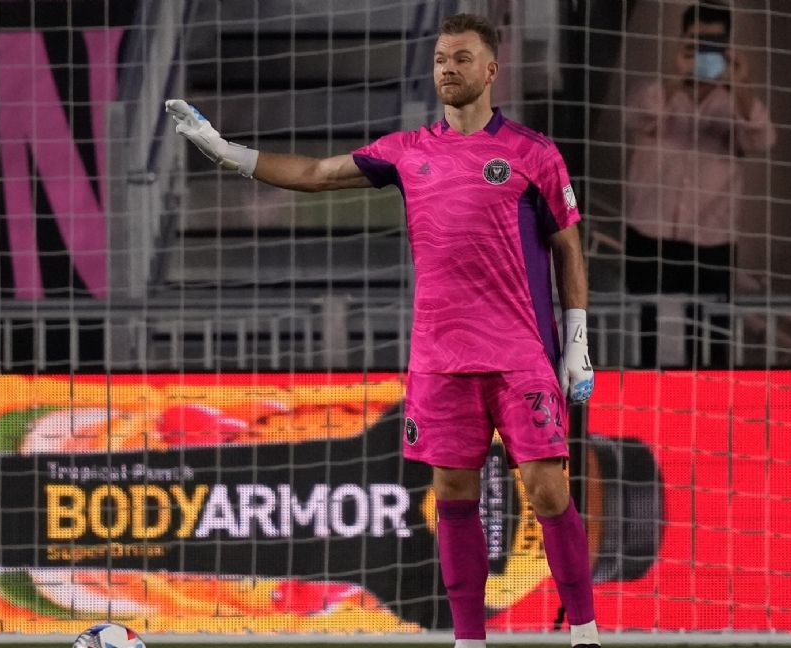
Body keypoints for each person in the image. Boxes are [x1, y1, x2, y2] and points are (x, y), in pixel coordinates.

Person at [166, 12, 599, 648]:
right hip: (440, 359)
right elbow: (316, 174)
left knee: (548, 489)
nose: (447, 68)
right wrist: (228, 152)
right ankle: (469, 640)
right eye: (440, 59)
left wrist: (577, 339)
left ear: (490, 70)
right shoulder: (408, 150)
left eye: (461, 58)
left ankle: (585, 633)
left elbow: (568, 246)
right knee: (452, 494)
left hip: (520, 354)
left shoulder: (533, 153)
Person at [623, 1, 775, 365]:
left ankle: (711, 399)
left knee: (711, 335)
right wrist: (677, 79)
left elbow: (762, 140)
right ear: (681, 42)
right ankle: (646, 396)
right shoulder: (658, 94)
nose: (704, 52)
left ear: (727, 46)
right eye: (695, 43)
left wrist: (741, 86)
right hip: (650, 230)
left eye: (713, 44)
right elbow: (636, 118)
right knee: (645, 330)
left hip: (712, 237)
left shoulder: (737, 105)